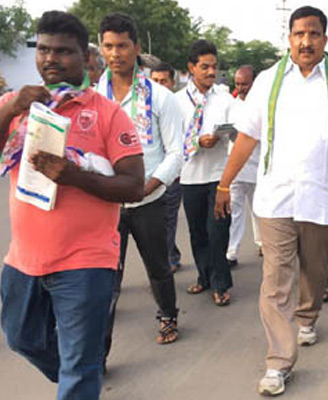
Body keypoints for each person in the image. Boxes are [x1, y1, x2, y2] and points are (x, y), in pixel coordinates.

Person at [214, 6, 328, 395]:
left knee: (316, 271)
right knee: (275, 279)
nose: (306, 41)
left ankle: (308, 316)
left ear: (324, 39)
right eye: (299, 33)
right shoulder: (269, 82)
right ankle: (279, 361)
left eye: (314, 34)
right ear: (289, 38)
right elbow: (247, 136)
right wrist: (224, 184)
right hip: (275, 197)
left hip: (321, 196)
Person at [0, 11, 144, 400]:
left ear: (86, 58)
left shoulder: (108, 114)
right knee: (21, 340)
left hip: (85, 261)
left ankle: (80, 377)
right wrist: (11, 110)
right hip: (23, 259)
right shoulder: (18, 103)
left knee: (79, 367)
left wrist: (74, 176)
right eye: (44, 49)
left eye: (63, 52)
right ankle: (80, 374)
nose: (50, 59)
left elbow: (134, 186)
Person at [97, 12, 182, 347]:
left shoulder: (160, 97)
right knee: (106, 277)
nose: (115, 54)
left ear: (135, 49)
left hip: (148, 200)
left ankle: (168, 317)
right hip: (105, 204)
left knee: (158, 268)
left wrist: (148, 187)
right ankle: (99, 345)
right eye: (108, 46)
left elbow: (176, 153)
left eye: (122, 46)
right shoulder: (94, 97)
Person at [176, 39, 234, 306]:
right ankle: (204, 276)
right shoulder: (176, 102)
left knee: (218, 230)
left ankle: (221, 284)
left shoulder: (224, 99)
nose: (211, 72)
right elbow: (173, 139)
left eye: (214, 66)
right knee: (198, 232)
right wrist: (198, 141)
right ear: (191, 68)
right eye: (204, 67)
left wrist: (222, 135)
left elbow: (238, 131)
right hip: (190, 176)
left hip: (219, 176)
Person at [226, 65, 262, 267]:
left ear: (254, 83)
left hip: (258, 166)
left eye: (245, 84)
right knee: (235, 212)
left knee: (259, 209)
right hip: (236, 167)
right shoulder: (231, 105)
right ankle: (231, 252)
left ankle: (264, 244)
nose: (241, 88)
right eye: (237, 84)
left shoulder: (263, 104)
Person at [150, 61, 183, 272]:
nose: (159, 85)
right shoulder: (143, 104)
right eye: (155, 81)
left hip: (172, 174)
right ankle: (171, 253)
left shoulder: (178, 104)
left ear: (172, 83)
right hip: (149, 174)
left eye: (164, 81)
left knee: (168, 219)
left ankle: (169, 258)